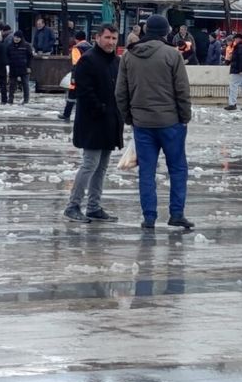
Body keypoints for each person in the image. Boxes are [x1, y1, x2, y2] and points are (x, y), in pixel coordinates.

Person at [116, 14, 193, 230]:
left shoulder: (129, 57)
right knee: (177, 169)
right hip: (171, 123)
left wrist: (130, 117)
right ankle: (176, 214)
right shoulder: (172, 55)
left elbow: (121, 93)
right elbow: (182, 90)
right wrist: (184, 117)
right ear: (166, 32)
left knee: (146, 171)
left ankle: (149, 217)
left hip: (142, 124)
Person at [64, 24, 123, 224]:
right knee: (90, 164)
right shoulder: (88, 60)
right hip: (92, 122)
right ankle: (73, 206)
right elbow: (83, 91)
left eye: (114, 38)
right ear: (97, 37)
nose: (111, 42)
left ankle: (94, 207)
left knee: (102, 167)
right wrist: (101, 109)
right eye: (107, 38)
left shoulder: (116, 61)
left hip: (110, 122)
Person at [59, 32, 92, 121]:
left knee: (71, 95)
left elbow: (76, 64)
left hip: (78, 76)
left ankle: (67, 114)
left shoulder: (76, 48)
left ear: (76, 39)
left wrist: (73, 78)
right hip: (89, 76)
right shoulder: (91, 47)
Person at [225, 33, 242, 111]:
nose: (235, 41)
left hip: (239, 70)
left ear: (238, 39)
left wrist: (241, 70)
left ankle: (232, 104)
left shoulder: (240, 47)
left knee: (233, 85)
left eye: (235, 39)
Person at [7, 30, 33, 105]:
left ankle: (26, 99)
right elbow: (7, 55)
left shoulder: (26, 45)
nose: (16, 39)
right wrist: (8, 64)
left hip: (23, 67)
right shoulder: (10, 46)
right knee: (12, 84)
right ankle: (10, 99)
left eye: (18, 37)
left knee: (25, 84)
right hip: (13, 67)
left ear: (21, 38)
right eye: (15, 37)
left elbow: (30, 57)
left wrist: (29, 66)